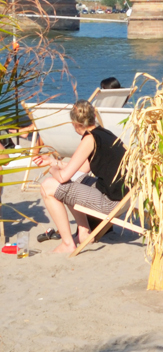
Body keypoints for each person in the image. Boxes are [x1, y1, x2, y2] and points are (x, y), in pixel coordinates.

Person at [37, 101, 128, 255]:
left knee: (48, 186)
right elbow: (79, 170)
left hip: (111, 203)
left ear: (74, 123)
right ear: (93, 116)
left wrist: (51, 168)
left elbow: (63, 177)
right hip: (125, 199)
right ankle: (83, 232)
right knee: (74, 181)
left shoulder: (89, 139)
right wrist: (53, 161)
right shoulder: (104, 134)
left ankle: (67, 244)